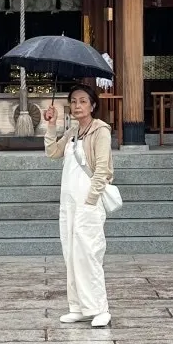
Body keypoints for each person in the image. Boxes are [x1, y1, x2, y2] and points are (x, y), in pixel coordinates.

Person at [42, 79, 113, 326]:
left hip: (88, 203)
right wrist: (50, 126)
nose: (77, 105)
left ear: (93, 105)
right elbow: (53, 153)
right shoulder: (73, 132)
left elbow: (103, 169)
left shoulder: (100, 130)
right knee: (71, 254)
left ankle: (100, 308)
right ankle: (79, 306)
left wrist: (91, 200)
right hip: (68, 203)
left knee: (90, 254)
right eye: (73, 101)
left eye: (83, 101)